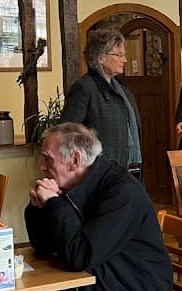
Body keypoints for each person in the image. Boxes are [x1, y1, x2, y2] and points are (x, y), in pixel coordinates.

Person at [4, 123, 172, 291]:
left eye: (47, 160)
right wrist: (39, 208)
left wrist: (54, 204)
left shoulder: (122, 193)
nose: (41, 167)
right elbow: (44, 246)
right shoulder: (77, 187)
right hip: (95, 288)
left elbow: (79, 256)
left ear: (74, 160)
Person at [60, 28, 143, 178]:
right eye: (119, 55)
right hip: (99, 174)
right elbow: (67, 134)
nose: (124, 60)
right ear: (100, 57)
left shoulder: (123, 91)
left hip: (128, 171)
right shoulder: (84, 89)